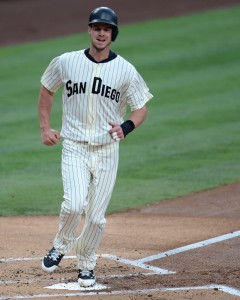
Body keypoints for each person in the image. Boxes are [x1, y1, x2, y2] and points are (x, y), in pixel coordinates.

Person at [38, 6, 153, 287]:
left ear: (113, 34)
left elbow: (140, 109)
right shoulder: (66, 61)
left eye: (107, 29)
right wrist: (45, 128)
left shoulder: (125, 70)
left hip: (106, 150)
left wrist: (125, 128)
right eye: (97, 28)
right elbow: (46, 89)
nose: (102, 33)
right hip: (74, 146)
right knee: (75, 203)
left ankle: (86, 264)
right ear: (89, 30)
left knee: (97, 217)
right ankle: (61, 244)